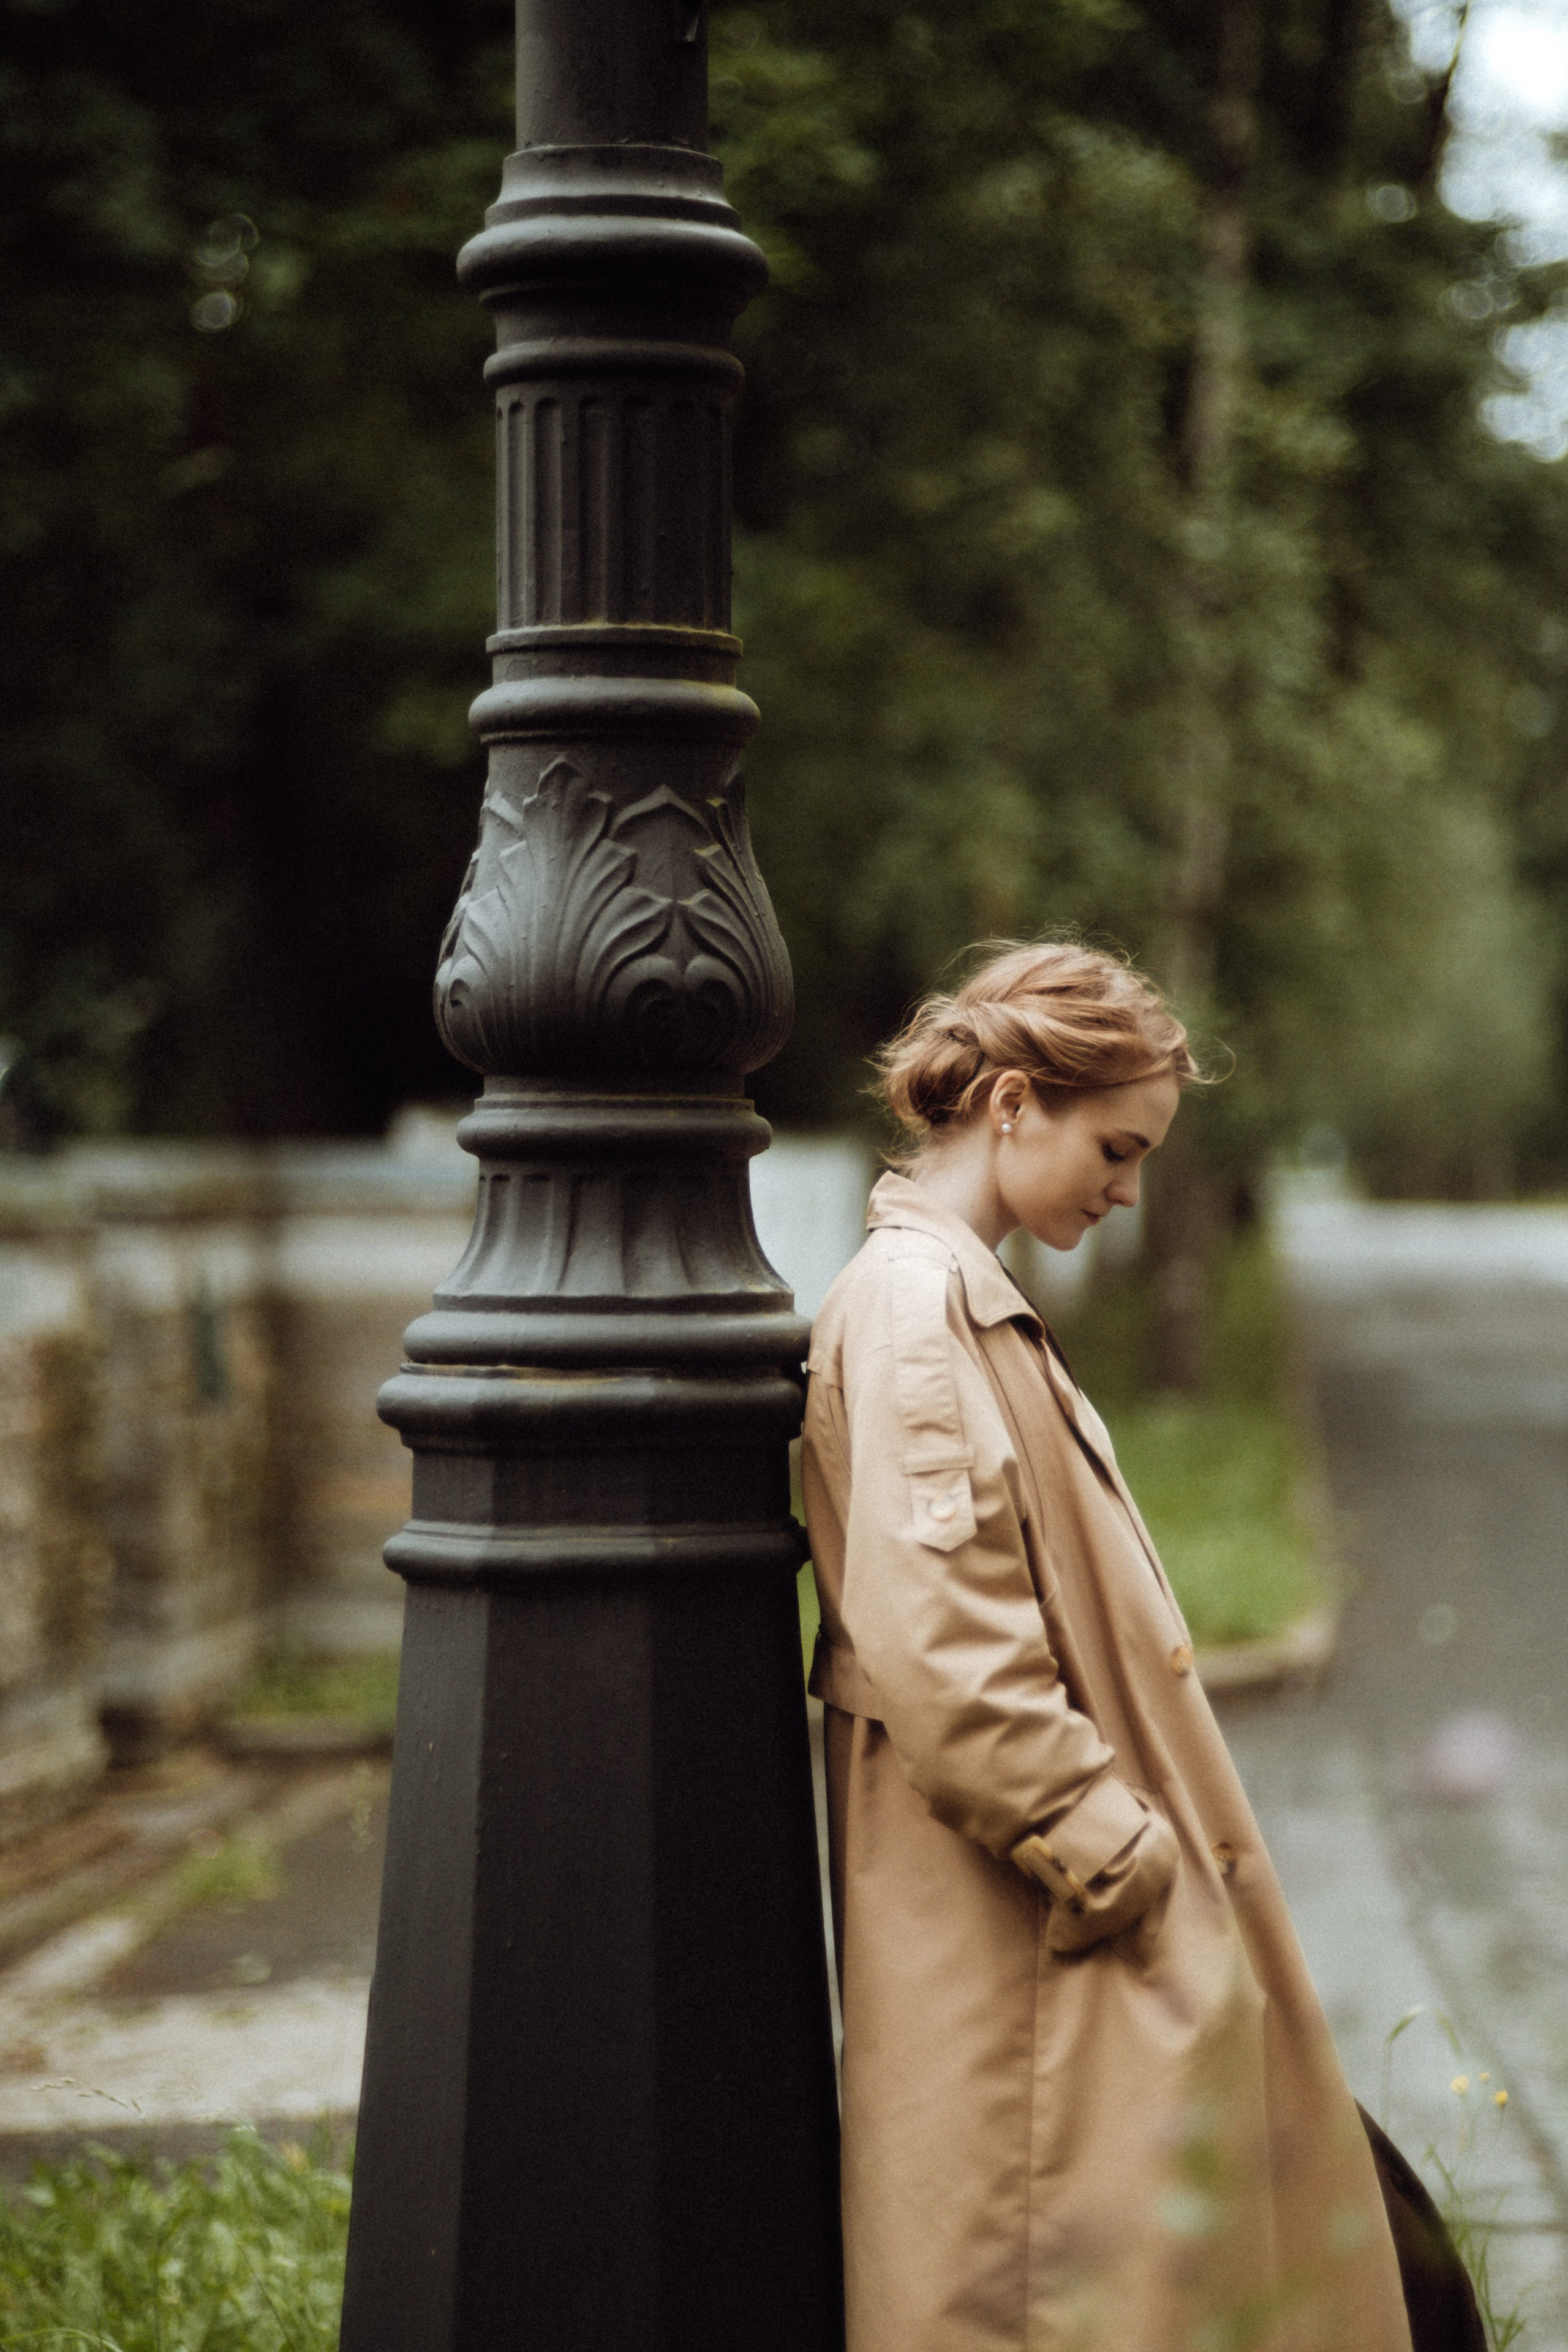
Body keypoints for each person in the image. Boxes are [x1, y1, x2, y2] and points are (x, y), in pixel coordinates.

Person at [801, 940, 1417, 2352]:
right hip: (1019, 1927)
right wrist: (1116, 1858)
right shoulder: (914, 1315)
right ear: (1010, 1103)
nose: (1129, 1186)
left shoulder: (955, 1298)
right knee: (1036, 2298)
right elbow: (950, 1659)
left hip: (1030, 1926)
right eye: (1115, 1146)